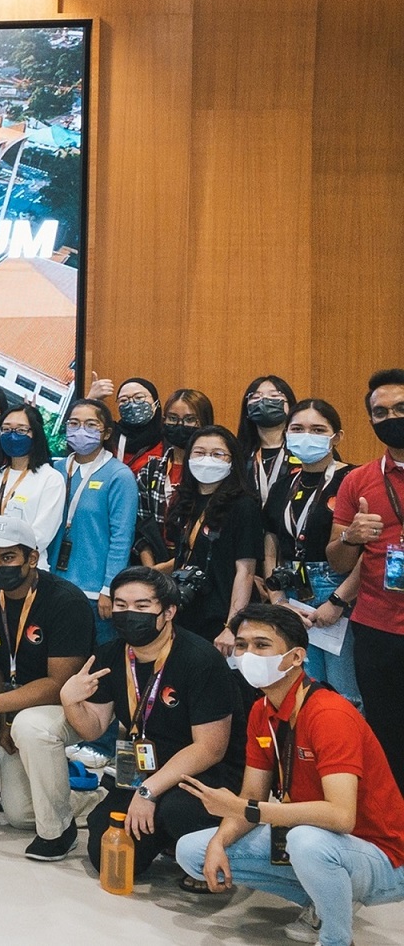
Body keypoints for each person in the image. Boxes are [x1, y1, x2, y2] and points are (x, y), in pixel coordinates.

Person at [178, 604, 404, 946]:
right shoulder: (262, 710)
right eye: (241, 645)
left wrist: (248, 810)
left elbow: (341, 816)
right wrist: (219, 842)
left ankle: (336, 938)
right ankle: (327, 895)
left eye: (261, 645)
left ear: (296, 657)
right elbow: (251, 794)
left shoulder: (328, 714)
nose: (247, 654)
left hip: (384, 856)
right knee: (193, 851)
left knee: (306, 841)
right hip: (320, 841)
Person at [59, 566, 247, 881]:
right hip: (145, 770)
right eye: (121, 605)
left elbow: (210, 748)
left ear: (168, 611)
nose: (129, 614)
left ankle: (201, 850)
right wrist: (70, 700)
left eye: (142, 607)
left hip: (206, 775)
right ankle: (166, 839)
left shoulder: (200, 659)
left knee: (176, 811)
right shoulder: (110, 655)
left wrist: (149, 792)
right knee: (106, 854)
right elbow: (93, 728)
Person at [0, 516, 98, 860]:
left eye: (8, 558)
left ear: (32, 558)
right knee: (19, 815)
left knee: (31, 725)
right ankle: (91, 800)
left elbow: (57, 686)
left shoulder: (66, 601)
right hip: (14, 703)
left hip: (73, 707)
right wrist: (3, 715)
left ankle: (59, 831)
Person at [328, 368, 404, 779]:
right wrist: (352, 538)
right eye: (381, 412)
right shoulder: (357, 480)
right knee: (387, 734)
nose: (391, 417)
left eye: (401, 408)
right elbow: (338, 561)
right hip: (378, 629)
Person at [265, 399, 358, 705]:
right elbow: (270, 549)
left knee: (345, 691)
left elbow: (370, 553)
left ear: (337, 437)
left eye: (318, 430)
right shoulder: (282, 486)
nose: (307, 436)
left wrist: (337, 601)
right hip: (292, 591)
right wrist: (277, 600)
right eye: (298, 429)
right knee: (302, 687)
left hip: (340, 589)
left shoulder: (353, 480)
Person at [161, 425, 262, 654]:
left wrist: (232, 626)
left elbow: (245, 571)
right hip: (187, 610)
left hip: (222, 616)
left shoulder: (243, 506)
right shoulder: (184, 500)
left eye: (217, 454)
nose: (207, 459)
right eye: (199, 452)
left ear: (232, 461)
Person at [51, 399, 139, 637]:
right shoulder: (54, 470)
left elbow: (122, 537)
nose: (81, 431)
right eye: (74, 423)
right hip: (53, 582)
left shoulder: (119, 475)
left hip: (94, 590)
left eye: (91, 425)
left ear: (106, 432)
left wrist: (109, 588)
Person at [0, 402, 64, 568]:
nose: (12, 435)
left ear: (36, 434)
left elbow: (42, 533)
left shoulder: (50, 478)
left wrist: (8, 561)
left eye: (21, 430)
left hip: (26, 569)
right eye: (6, 429)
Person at [136, 388, 215, 549]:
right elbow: (140, 525)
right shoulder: (151, 470)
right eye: (172, 418)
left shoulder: (214, 471)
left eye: (190, 419)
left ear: (205, 422)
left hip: (196, 560)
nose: (180, 425)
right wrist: (151, 568)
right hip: (154, 561)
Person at [239, 375, 299, 506]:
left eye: (274, 396)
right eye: (256, 397)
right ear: (247, 409)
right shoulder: (237, 453)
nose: (264, 401)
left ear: (290, 405)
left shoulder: (305, 449)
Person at [110, 378, 167, 472]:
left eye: (139, 398)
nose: (132, 404)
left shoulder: (168, 436)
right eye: (124, 400)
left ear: (156, 402)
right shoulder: (111, 435)